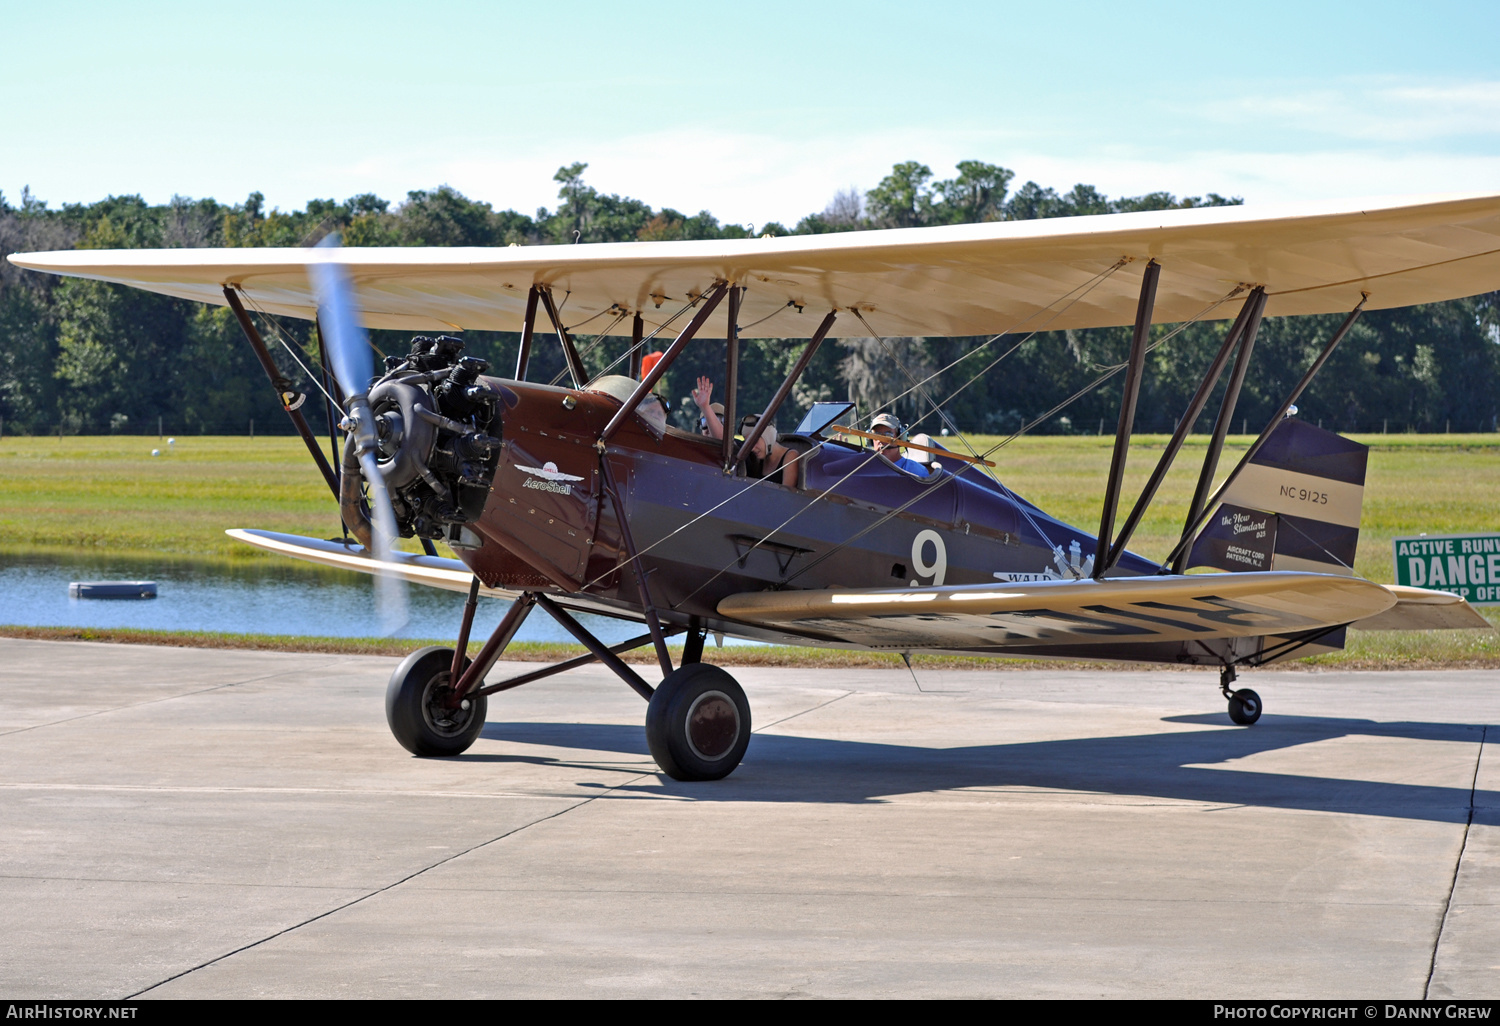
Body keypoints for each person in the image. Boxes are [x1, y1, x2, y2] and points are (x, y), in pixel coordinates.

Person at [691, 376, 798, 486]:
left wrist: (705, 407)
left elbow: (787, 497)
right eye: (704, 423)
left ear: (768, 436)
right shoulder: (754, 455)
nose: (751, 448)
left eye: (754, 441)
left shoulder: (788, 456)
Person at [869, 412, 929, 477]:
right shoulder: (864, 468)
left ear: (901, 437)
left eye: (888, 434)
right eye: (876, 435)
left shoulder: (917, 471)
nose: (881, 440)